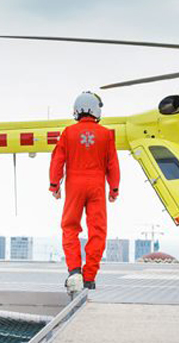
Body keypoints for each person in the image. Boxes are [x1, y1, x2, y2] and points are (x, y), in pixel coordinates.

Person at [49, 91, 120, 293]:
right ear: (96, 110)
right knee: (97, 230)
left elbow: (57, 161)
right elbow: (113, 164)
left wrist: (55, 185)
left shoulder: (68, 133)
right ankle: (89, 277)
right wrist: (114, 189)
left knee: (70, 227)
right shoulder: (107, 134)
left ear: (77, 110)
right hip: (97, 186)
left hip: (74, 185)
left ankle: (74, 272)